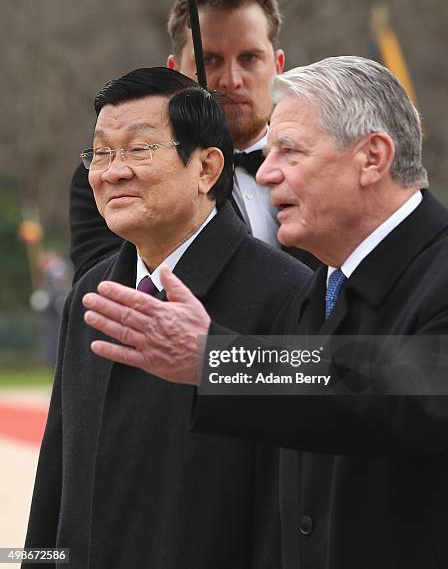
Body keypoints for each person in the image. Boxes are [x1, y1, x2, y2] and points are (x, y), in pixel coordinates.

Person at [83, 57, 448, 569]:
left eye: (290, 151)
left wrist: (217, 359)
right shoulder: (320, 289)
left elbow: (406, 389)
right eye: (269, 150)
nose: (267, 170)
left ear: (372, 157)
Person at [24, 67, 311, 569]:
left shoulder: (285, 295)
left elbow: (283, 506)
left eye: (139, 149)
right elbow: (57, 479)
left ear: (206, 168)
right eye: (102, 152)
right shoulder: (92, 292)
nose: (113, 171)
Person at [70, 0, 317, 284]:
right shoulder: (115, 173)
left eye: (249, 58)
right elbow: (108, 290)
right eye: (210, 60)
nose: (231, 80)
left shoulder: (321, 162)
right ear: (176, 72)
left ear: (278, 66)